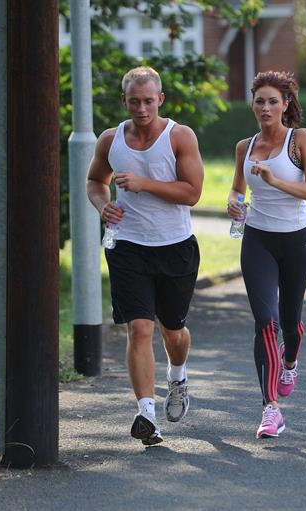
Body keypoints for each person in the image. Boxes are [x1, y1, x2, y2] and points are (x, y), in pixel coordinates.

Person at [86, 66, 204, 446]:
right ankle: (145, 414)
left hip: (175, 247)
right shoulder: (110, 139)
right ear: (124, 101)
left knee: (173, 331)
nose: (141, 108)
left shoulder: (179, 136)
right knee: (139, 328)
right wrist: (104, 207)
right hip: (128, 247)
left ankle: (178, 376)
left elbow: (192, 193)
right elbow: (94, 181)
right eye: (134, 101)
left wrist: (143, 184)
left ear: (160, 100)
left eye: (148, 101)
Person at [227, 70, 306, 439]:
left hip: (297, 242)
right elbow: (236, 190)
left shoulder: (300, 140)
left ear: (286, 105)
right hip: (258, 242)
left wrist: (273, 180)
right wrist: (234, 205)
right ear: (252, 104)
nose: (265, 108)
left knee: (290, 323)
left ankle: (291, 359)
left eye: (272, 101)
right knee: (266, 322)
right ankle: (270, 409)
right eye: (259, 101)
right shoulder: (243, 147)